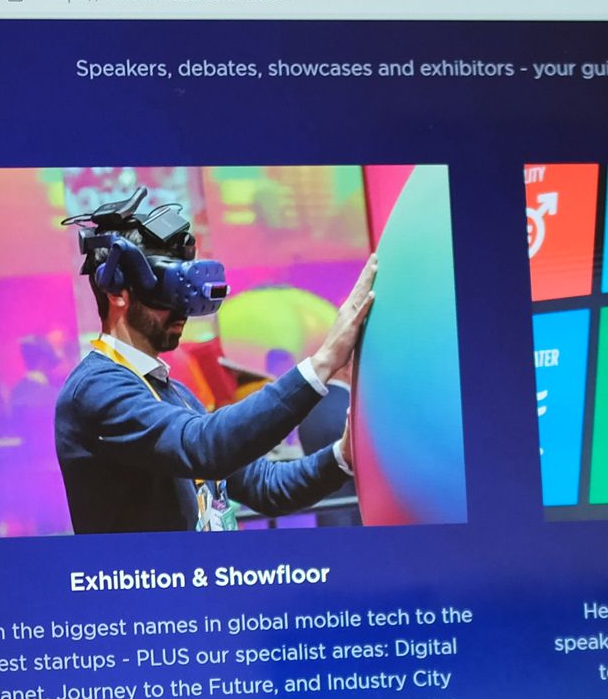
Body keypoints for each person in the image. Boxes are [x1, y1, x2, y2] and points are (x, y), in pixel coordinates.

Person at [51, 184, 376, 534]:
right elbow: (205, 447)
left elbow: (266, 486)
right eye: (165, 290)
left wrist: (342, 456)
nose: (182, 309)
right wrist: (324, 362)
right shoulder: (96, 389)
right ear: (116, 292)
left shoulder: (174, 394)